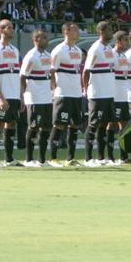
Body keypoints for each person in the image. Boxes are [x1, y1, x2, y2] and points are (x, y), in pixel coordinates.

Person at [82, 21, 119, 167]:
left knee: (104, 125)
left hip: (108, 92)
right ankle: (88, 158)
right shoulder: (95, 49)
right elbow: (86, 71)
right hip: (97, 93)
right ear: (102, 32)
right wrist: (86, 90)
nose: (112, 32)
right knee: (93, 125)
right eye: (110, 29)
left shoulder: (108, 48)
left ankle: (101, 157)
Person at [0, 19, 22, 168]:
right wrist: (0, 96)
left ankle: (9, 158)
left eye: (12, 27)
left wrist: (19, 95)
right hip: (1, 95)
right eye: (8, 27)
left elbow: (17, 74)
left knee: (11, 124)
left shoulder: (15, 50)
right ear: (1, 30)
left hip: (14, 95)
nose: (12, 30)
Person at [50, 22, 83, 167]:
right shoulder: (59, 50)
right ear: (67, 32)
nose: (78, 32)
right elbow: (51, 71)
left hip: (76, 93)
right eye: (75, 30)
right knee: (59, 125)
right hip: (63, 93)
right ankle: (53, 158)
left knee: (75, 125)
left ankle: (70, 158)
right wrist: (54, 90)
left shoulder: (78, 50)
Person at [20, 29, 53, 167]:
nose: (46, 40)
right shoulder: (31, 56)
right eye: (43, 37)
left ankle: (42, 160)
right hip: (34, 97)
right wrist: (24, 94)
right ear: (35, 40)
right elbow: (22, 76)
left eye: (46, 37)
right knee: (33, 127)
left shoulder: (47, 55)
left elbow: (51, 74)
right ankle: (29, 159)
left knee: (46, 128)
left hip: (46, 97)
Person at [112, 30, 131, 161]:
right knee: (111, 123)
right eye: (125, 40)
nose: (127, 43)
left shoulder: (124, 56)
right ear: (118, 41)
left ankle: (123, 156)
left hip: (124, 94)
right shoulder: (112, 55)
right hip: (114, 94)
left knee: (124, 125)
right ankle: (108, 156)